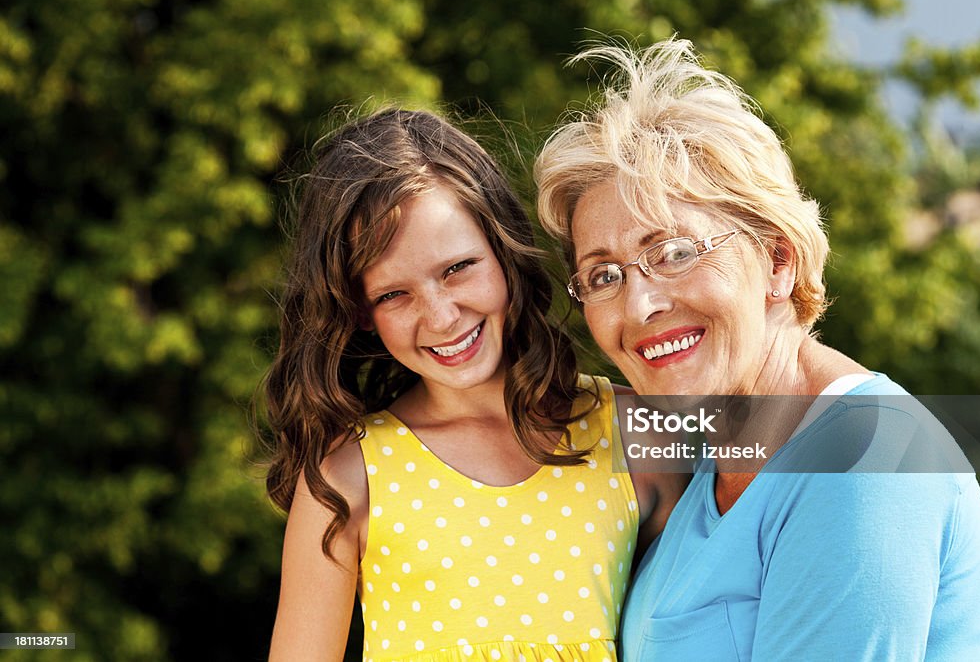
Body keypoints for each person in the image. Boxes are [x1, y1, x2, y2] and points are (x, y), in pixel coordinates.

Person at [535, 38, 980, 660]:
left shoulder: (864, 462)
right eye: (604, 275)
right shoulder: (717, 461)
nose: (639, 307)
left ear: (778, 261)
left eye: (675, 253)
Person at [261, 108, 682, 661]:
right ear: (361, 311)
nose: (440, 317)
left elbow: (815, 448)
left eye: (458, 268)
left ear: (504, 252)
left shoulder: (634, 428)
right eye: (393, 294)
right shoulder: (346, 479)